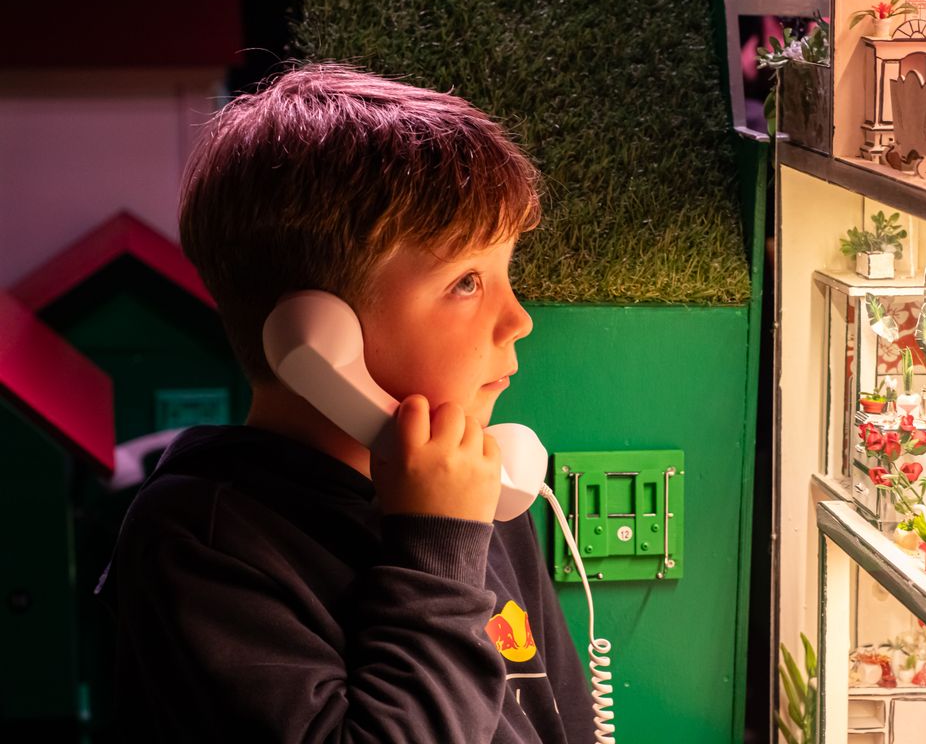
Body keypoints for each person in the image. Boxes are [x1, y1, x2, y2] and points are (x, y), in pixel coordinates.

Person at [96, 63, 594, 743]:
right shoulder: (201, 542)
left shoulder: (482, 491)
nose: (519, 321)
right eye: (467, 282)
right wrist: (439, 549)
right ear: (319, 337)